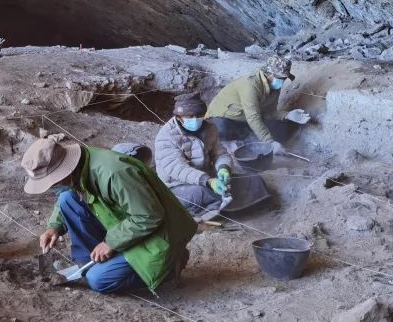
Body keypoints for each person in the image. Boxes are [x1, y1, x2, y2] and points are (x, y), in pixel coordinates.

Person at [23, 134, 196, 295]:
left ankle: (169, 269)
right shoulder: (80, 167)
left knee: (98, 281)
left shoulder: (114, 173)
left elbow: (149, 216)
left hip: (158, 235)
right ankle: (87, 264)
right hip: (124, 222)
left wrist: (110, 243)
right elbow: (72, 195)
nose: (52, 187)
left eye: (53, 182)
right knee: (67, 197)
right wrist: (54, 226)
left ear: (65, 170)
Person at [154, 94, 233, 219]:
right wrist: (208, 181)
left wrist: (224, 168)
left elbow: (220, 153)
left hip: (205, 178)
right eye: (190, 116)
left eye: (199, 116)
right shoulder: (167, 136)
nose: (195, 119)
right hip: (177, 185)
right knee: (202, 193)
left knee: (237, 183)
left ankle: (216, 204)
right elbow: (177, 169)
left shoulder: (210, 128)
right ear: (179, 118)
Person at [206, 55, 294, 150]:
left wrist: (288, 115)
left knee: (279, 126)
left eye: (284, 79)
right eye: (280, 78)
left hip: (243, 119)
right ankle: (226, 145)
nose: (282, 81)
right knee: (223, 129)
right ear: (269, 74)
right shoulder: (250, 85)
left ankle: (240, 142)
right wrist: (270, 142)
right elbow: (253, 117)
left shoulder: (275, 87)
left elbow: (268, 112)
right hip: (223, 118)